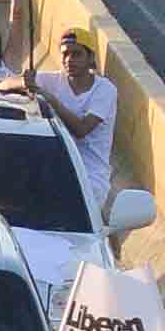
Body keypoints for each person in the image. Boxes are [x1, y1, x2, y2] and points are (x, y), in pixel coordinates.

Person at [34, 27, 119, 211]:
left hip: (90, 180)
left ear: (90, 58)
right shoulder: (53, 80)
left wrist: (51, 100)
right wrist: (25, 82)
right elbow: (7, 83)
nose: (69, 60)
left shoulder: (105, 90)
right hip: (55, 172)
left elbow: (81, 130)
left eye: (77, 54)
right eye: (65, 54)